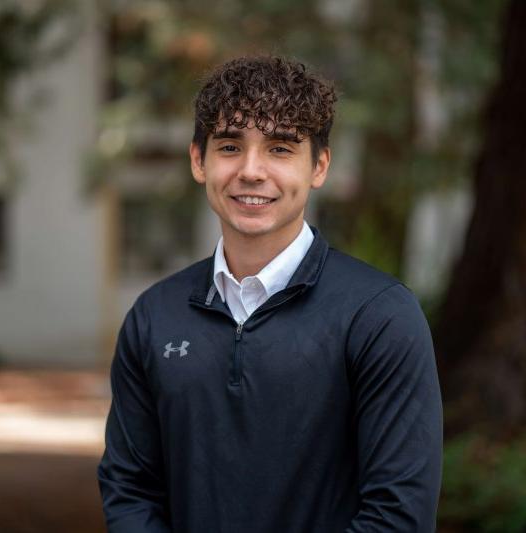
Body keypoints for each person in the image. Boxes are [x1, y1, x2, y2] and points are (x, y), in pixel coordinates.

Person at [97, 55, 443, 533]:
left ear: (318, 166)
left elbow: (398, 513)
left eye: (280, 149)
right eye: (230, 146)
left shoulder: (380, 316)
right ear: (199, 160)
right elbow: (131, 490)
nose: (252, 171)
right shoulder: (154, 316)